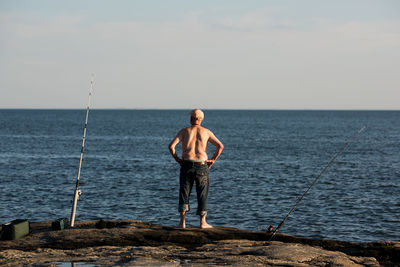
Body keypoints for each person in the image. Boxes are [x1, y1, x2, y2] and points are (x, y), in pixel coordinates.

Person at [169, 109, 224, 229]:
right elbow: (220, 146)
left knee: (184, 192)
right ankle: (202, 223)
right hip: (201, 164)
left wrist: (177, 159)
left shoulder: (184, 131)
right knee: (202, 193)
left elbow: (171, 146)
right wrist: (213, 160)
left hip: (186, 164)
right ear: (201, 119)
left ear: (190, 119)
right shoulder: (206, 132)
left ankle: (182, 223)